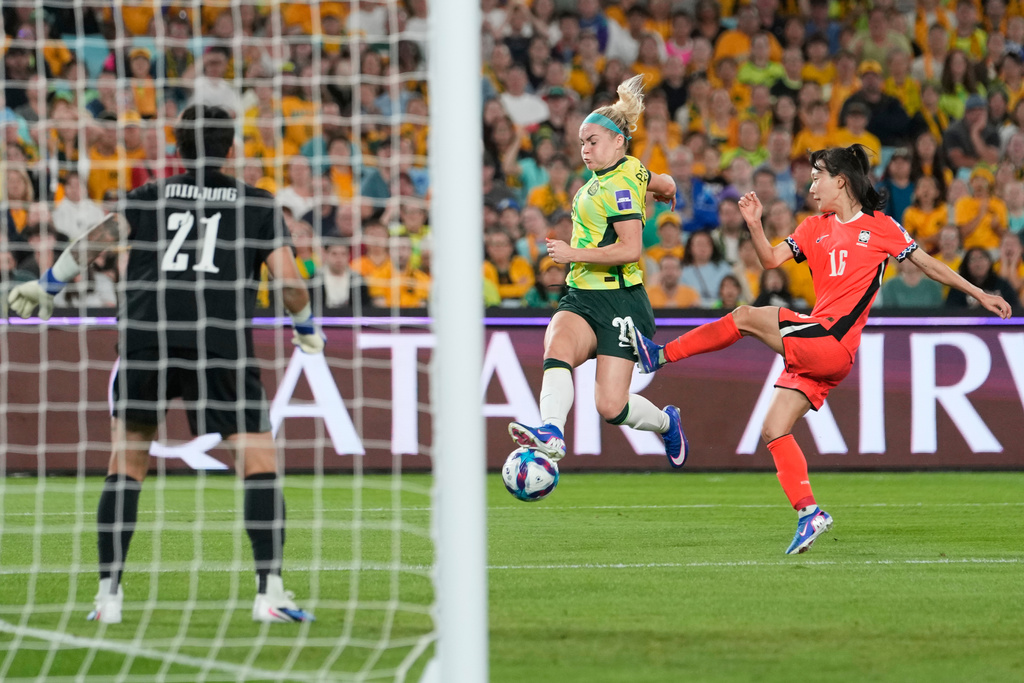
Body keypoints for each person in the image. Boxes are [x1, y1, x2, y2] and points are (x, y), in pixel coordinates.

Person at [7, 105, 323, 624]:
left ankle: (108, 597)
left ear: (178, 149)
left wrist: (47, 285)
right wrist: (306, 328)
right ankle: (270, 592)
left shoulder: (150, 196)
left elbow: (97, 240)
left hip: (147, 337)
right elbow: (288, 281)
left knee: (126, 465)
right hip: (219, 340)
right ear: (232, 149)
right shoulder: (259, 204)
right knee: (258, 463)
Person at [628, 144, 1012, 554]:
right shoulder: (813, 228)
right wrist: (755, 225)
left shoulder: (881, 227)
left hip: (830, 341)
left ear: (840, 180)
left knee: (743, 316)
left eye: (817, 177)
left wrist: (979, 293)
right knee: (774, 428)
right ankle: (809, 513)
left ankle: (660, 356)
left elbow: (930, 264)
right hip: (819, 348)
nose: (811, 186)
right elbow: (772, 260)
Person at [507, 75, 686, 469]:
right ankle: (551, 432)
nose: (585, 150)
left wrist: (572, 251)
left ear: (618, 141)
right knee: (557, 346)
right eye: (582, 143)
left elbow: (630, 249)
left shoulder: (618, 185)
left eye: (593, 141)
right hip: (583, 295)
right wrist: (667, 190)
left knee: (611, 405)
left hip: (621, 301)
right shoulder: (627, 171)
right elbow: (663, 179)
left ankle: (665, 421)